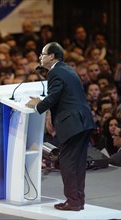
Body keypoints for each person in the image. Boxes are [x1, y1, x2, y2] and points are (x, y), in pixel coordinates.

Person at [26, 42, 95, 211]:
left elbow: (54, 96)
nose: (40, 57)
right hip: (83, 121)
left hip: (72, 123)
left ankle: (73, 201)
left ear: (52, 56)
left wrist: (37, 105)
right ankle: (78, 200)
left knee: (67, 162)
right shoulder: (68, 69)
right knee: (78, 162)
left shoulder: (55, 72)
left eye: (42, 54)